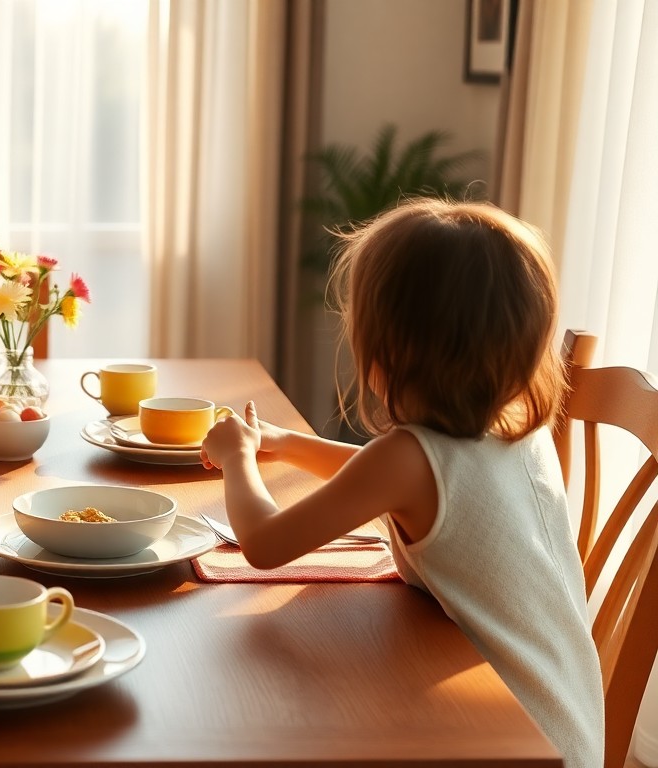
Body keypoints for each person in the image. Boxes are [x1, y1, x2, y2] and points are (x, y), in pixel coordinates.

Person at [200, 199, 603, 768]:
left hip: (507, 741)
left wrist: (237, 457)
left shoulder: (409, 460)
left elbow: (264, 544)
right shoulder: (513, 428)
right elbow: (381, 479)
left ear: (389, 350)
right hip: (565, 727)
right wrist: (285, 444)